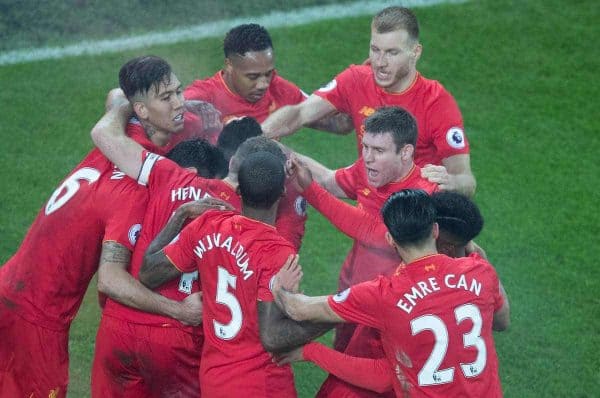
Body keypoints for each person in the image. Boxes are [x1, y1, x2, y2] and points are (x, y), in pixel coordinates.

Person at [0, 56, 213, 398]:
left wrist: (144, 104)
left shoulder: (120, 132)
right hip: (38, 319)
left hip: (9, 286)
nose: (180, 103)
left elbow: (116, 95)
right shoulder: (131, 189)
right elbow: (111, 280)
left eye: (179, 91)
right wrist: (179, 310)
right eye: (167, 97)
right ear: (142, 110)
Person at [90, 91, 305, 396]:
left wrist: (138, 106)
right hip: (179, 335)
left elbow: (109, 111)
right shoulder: (235, 216)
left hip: (117, 326)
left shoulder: (166, 175)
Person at [273, 189, 510, 398]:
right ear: (435, 230)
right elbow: (502, 321)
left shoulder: (384, 295)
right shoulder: (480, 271)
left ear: (390, 239)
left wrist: (278, 285)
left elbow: (297, 308)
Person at [139, 152, 329, 398]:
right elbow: (273, 338)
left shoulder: (207, 225)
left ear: (238, 191)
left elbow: (147, 273)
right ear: (282, 193)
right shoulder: (277, 252)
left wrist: (181, 214)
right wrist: (335, 314)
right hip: (263, 385)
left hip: (214, 381)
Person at [262, 6, 476, 196]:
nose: (380, 63)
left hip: (417, 224)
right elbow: (301, 113)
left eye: (392, 53)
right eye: (375, 50)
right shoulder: (357, 79)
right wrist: (257, 135)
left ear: (415, 52)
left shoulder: (436, 103)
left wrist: (452, 181)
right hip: (371, 208)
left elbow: (466, 181)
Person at [289, 106, 438, 351]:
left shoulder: (423, 195)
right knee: (342, 362)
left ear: (405, 152)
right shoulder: (366, 169)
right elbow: (330, 181)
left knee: (366, 377)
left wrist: (310, 191)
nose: (367, 157)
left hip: (392, 304)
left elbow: (377, 234)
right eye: (365, 146)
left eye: (378, 150)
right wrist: (284, 153)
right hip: (352, 286)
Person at [184, 23, 352, 132]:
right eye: (253, 77)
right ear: (229, 65)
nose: (263, 84)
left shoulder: (278, 88)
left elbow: (340, 124)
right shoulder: (202, 98)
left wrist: (361, 83)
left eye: (268, 73)